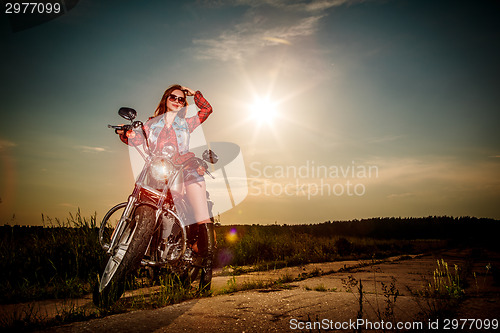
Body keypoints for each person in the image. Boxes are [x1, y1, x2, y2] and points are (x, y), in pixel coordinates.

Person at [116, 84, 215, 289]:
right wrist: (126, 134)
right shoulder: (152, 123)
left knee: (200, 210)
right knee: (140, 195)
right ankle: (127, 247)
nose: (177, 101)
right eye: (173, 97)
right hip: (158, 169)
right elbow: (137, 138)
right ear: (165, 98)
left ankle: (206, 264)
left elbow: (206, 110)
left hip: (185, 168)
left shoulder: (187, 124)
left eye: (181, 99)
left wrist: (194, 93)